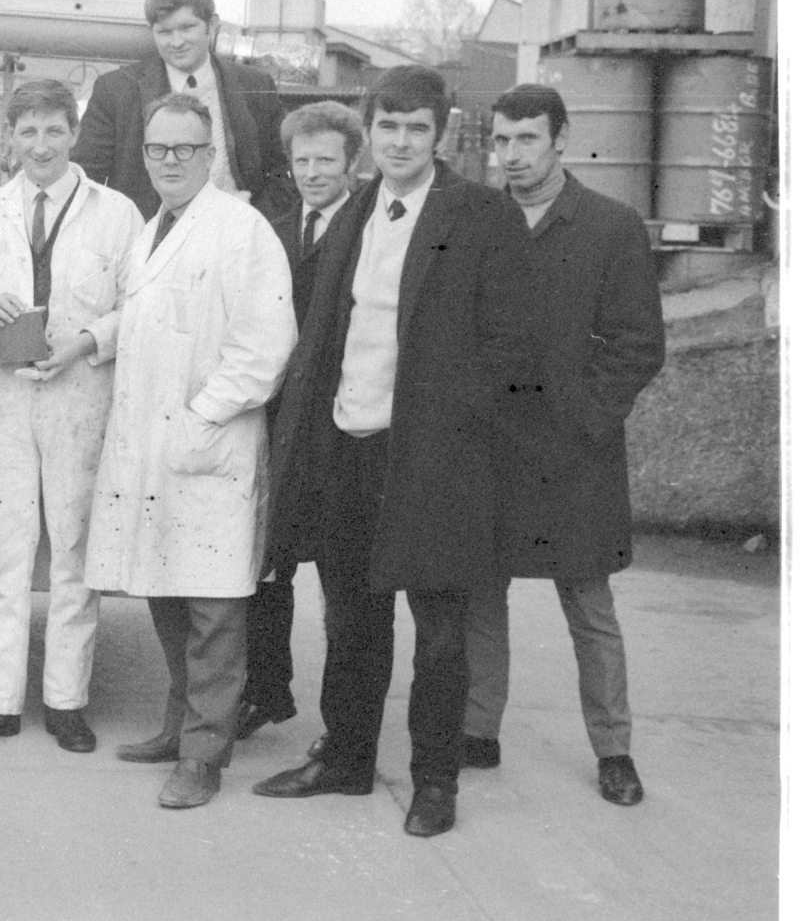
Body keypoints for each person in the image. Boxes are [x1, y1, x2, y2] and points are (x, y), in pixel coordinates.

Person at [254, 66, 538, 838]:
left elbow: (514, 351)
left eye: (417, 127)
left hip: (434, 460)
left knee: (440, 632)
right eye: (388, 127)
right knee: (350, 618)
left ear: (439, 132)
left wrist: (464, 439)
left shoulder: (480, 215)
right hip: (349, 448)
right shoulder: (353, 216)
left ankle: (434, 779)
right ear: (368, 134)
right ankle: (345, 758)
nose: (401, 141)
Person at [85, 94, 296, 809]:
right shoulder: (152, 230)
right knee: (167, 594)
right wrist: (90, 339)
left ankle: (204, 755)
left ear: (210, 155)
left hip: (210, 442)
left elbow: (266, 345)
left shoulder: (241, 230)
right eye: (156, 149)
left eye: (183, 149)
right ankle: (179, 727)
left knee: (212, 612)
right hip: (156, 447)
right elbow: (143, 318)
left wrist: (202, 415)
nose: (168, 161)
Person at [461, 84, 664, 806]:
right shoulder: (477, 220)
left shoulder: (609, 226)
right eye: (502, 140)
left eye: (526, 140)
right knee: (480, 591)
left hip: (573, 452)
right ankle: (476, 730)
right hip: (490, 444)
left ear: (560, 139)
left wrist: (585, 417)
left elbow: (638, 343)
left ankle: (613, 749)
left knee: (587, 601)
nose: (511, 156)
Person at [0, 79, 144, 754]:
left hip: (78, 396)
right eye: (26, 131)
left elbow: (135, 305)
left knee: (72, 552)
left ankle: (65, 701)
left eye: (53, 130)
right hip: (3, 398)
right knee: (1, 553)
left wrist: (86, 341)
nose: (40, 145)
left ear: (72, 133)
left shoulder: (115, 215)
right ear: (11, 137)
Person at [239, 101, 362, 743]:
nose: (313, 172)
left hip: (343, 422)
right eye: (302, 160)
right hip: (280, 414)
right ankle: (266, 691)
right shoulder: (272, 228)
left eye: (326, 160)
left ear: (351, 163)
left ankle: (344, 725)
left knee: (344, 575)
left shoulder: (369, 230)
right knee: (265, 561)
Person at [74, 0, 294, 221]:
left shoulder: (255, 85)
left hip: (236, 238)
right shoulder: (115, 90)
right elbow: (86, 179)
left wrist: (251, 217)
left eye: (187, 27)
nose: (176, 42)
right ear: (152, 31)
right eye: (164, 32)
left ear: (212, 25)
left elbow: (286, 171)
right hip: (150, 242)